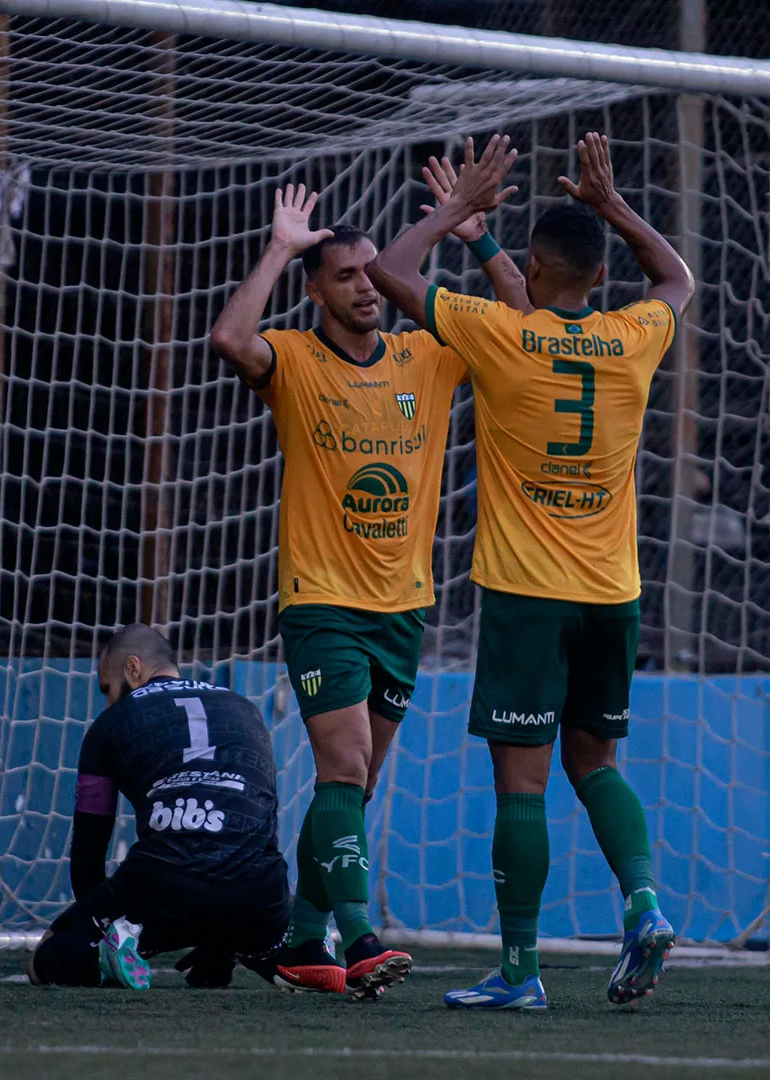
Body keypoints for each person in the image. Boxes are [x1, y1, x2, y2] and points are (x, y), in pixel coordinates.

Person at [367, 132, 696, 1010]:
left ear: (537, 266)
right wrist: (612, 206)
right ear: (594, 274)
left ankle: (520, 972)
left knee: (522, 784)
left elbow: (391, 270)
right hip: (614, 595)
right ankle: (646, 902)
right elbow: (677, 281)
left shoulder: (502, 337)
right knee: (598, 762)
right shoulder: (634, 337)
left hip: (526, 595)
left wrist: (452, 213)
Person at [206, 169, 527, 998]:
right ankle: (358, 940)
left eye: (370, 272)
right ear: (316, 290)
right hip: (322, 603)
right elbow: (232, 340)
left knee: (354, 785)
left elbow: (523, 327)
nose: (365, 288)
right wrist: (281, 249)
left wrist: (478, 239)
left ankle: (300, 942)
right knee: (345, 768)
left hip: (403, 609)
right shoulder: (297, 357)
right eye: (344, 275)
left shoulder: (431, 352)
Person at [29, 624, 289, 990]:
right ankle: (286, 949)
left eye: (108, 689)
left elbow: (87, 862)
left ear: (133, 669)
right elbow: (265, 825)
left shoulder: (109, 725)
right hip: (258, 895)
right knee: (263, 921)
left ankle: (111, 955)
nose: (107, 701)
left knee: (45, 960)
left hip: (165, 886)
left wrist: (103, 920)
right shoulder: (246, 709)